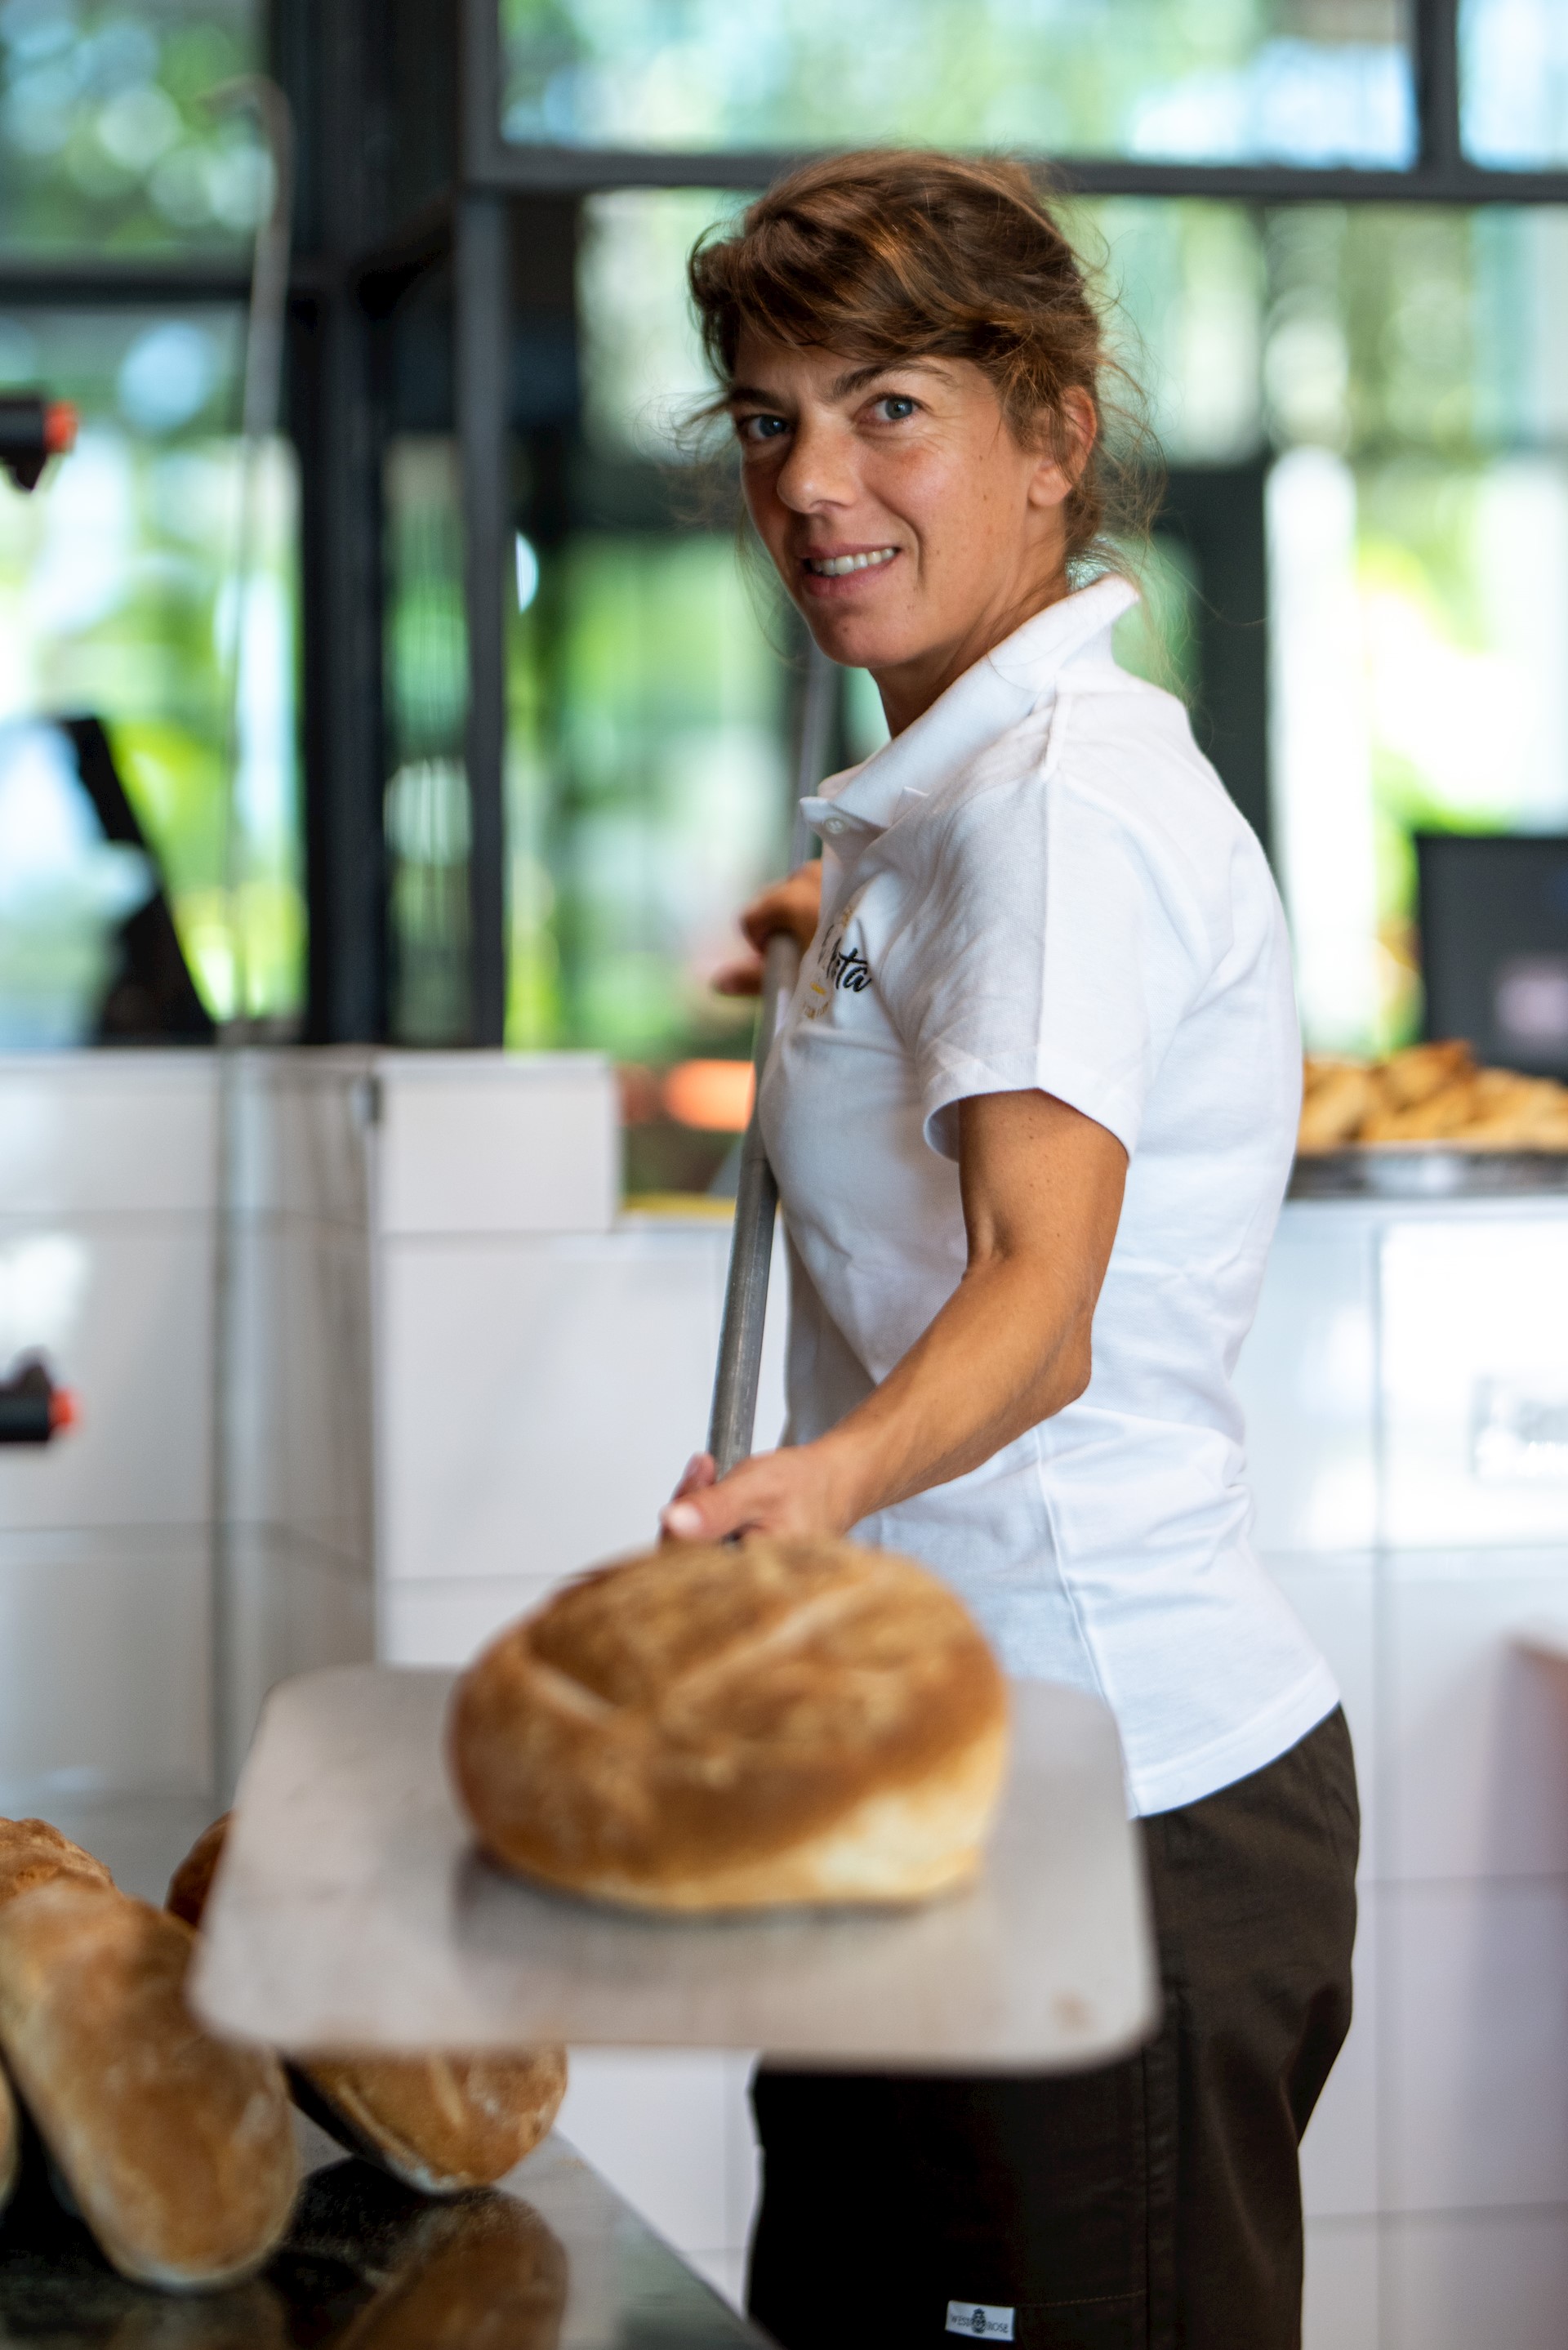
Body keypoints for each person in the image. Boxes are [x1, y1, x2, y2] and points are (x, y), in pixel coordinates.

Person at [658, 151, 1357, 2350]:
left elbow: (1037, 1313)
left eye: (893, 410)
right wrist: (829, 939)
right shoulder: (962, 809)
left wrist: (817, 1488)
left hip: (1100, 1802)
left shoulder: (1053, 806)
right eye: (770, 417)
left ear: (1054, 438)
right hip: (932, 1768)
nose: (814, 484)